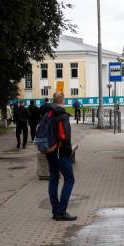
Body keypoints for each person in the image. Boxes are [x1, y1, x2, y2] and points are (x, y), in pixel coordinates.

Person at [45, 92, 76, 221]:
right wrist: (68, 152)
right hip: (60, 152)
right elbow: (65, 137)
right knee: (69, 179)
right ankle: (61, 211)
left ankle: (55, 210)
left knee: (53, 179)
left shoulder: (48, 114)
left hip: (50, 151)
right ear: (62, 100)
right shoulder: (62, 116)